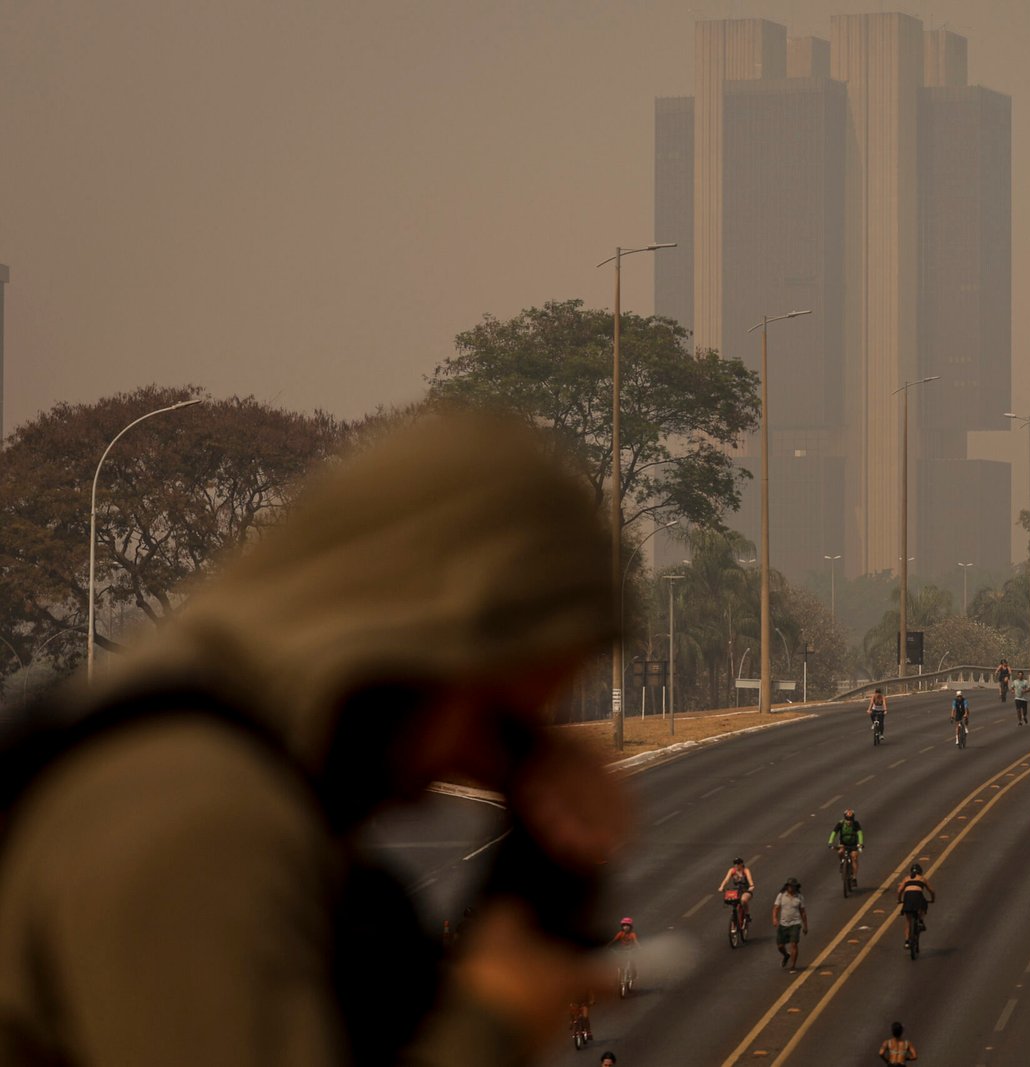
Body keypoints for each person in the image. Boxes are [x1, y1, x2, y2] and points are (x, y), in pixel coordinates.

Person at [0, 414, 630, 1066]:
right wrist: (494, 1021)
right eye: (496, 722)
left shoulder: (210, 758)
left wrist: (542, 873)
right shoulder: (202, 822)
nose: (480, 766)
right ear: (405, 653)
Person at [773, 877, 808, 972]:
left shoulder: (800, 897)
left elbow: (803, 912)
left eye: (793, 886)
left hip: (795, 924)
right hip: (783, 924)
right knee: (780, 946)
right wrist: (775, 918)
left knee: (794, 944)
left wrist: (805, 926)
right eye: (789, 886)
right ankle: (786, 955)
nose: (791, 888)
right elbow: (776, 908)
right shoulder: (781, 895)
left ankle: (793, 966)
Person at [897, 864, 935, 947]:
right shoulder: (922, 879)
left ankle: (907, 942)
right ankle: (921, 921)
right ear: (920, 872)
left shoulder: (906, 878)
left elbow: (899, 891)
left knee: (908, 921)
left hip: (908, 898)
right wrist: (932, 899)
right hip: (918, 896)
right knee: (923, 905)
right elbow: (931, 891)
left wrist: (899, 900)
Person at [827, 808, 864, 885]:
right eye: (847, 819)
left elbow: (860, 834)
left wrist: (860, 843)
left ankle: (854, 877)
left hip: (853, 844)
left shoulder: (856, 824)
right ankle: (842, 862)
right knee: (840, 852)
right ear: (844, 818)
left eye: (851, 819)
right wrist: (830, 842)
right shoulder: (840, 824)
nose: (849, 821)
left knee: (854, 857)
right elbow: (834, 833)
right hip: (843, 843)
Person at [719, 857, 756, 925]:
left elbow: (750, 879)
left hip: (745, 890)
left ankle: (747, 915)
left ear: (741, 864)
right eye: (735, 863)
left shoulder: (745, 870)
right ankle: (734, 917)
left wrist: (751, 886)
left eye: (738, 863)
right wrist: (722, 886)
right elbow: (726, 879)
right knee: (731, 900)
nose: (736, 865)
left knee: (743, 900)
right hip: (737, 890)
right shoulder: (732, 870)